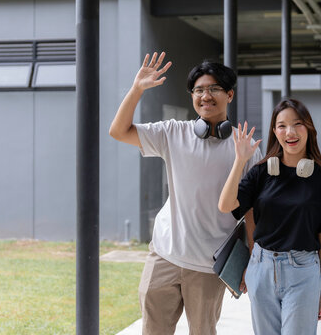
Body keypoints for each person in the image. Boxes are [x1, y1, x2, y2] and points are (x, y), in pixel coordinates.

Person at [109, 52, 262, 335]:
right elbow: (118, 131)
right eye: (199, 90)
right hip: (165, 255)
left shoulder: (246, 147)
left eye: (214, 89)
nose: (205, 96)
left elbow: (253, 211)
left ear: (229, 94)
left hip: (208, 264)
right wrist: (136, 89)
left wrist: (250, 260)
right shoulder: (172, 133)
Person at [219, 99, 321, 335]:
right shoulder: (261, 173)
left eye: (297, 124)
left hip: (303, 272)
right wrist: (240, 159)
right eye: (282, 126)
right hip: (261, 270)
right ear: (275, 131)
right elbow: (225, 205)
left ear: (309, 128)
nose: (290, 132)